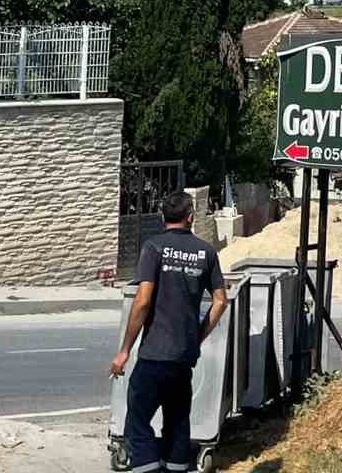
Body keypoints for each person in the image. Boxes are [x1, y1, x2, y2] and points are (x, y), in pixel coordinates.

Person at [110, 189, 228, 473]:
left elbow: (142, 301)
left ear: (163, 216)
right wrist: (197, 336)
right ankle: (176, 467)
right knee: (177, 422)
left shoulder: (154, 248)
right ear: (190, 217)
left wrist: (124, 350)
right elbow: (221, 301)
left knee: (137, 421)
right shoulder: (206, 252)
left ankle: (148, 468)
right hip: (183, 357)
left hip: (154, 354)